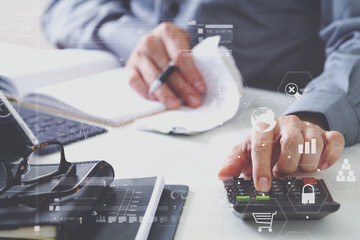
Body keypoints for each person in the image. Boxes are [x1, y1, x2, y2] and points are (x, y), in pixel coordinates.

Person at [42, 0, 360, 192]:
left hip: (271, 117)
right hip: (125, 119)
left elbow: (355, 35)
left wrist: (311, 116)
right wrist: (134, 36)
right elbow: (63, 8)